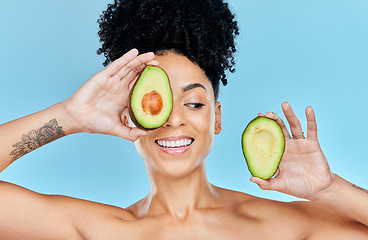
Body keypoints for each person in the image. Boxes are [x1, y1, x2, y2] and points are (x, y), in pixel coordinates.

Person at [1, 0, 368, 239]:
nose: (174, 120)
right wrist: (70, 116)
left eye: (193, 103)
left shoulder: (281, 227)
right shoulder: (99, 231)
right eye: (155, 104)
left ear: (217, 118)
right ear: (129, 116)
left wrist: (329, 190)